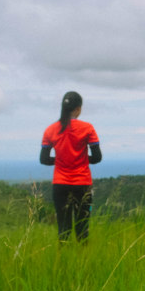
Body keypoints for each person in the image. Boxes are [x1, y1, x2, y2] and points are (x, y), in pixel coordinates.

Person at [40, 91, 102, 243]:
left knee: (63, 228)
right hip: (82, 184)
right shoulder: (88, 128)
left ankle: (63, 262)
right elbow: (97, 158)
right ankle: (83, 262)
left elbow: (44, 159)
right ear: (78, 109)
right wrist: (81, 159)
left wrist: (61, 159)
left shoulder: (50, 130)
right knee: (82, 228)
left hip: (60, 185)